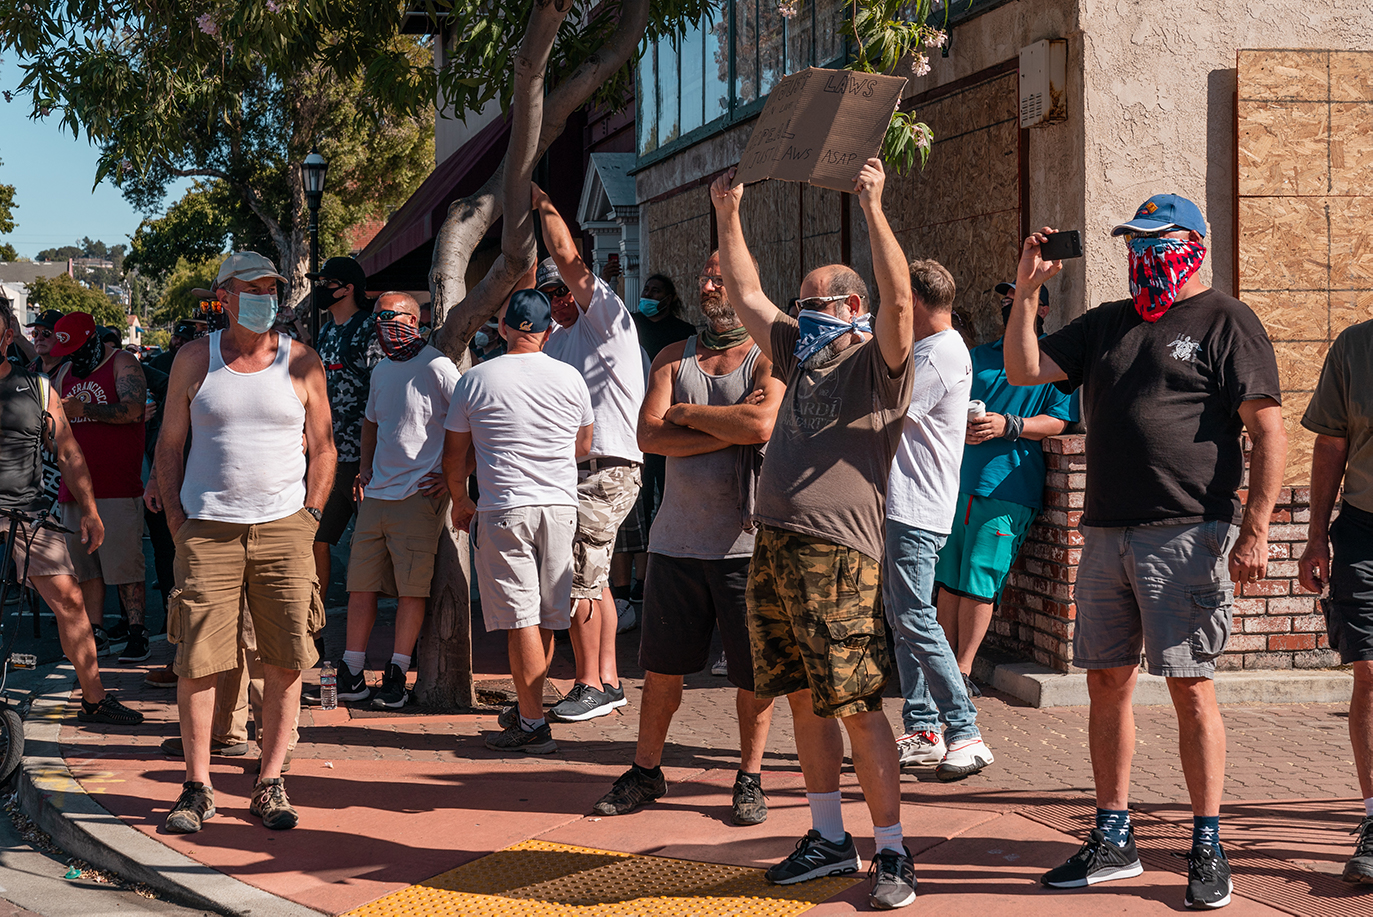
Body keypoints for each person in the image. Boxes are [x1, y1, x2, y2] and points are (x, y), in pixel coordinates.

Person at [1003, 195, 1285, 909]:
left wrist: (1254, 529)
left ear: (1195, 241)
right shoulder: (1108, 321)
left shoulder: (1226, 320)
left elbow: (1269, 431)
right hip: (1104, 533)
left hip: (1186, 532)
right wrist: (1028, 292)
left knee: (1189, 685)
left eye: (1158, 241)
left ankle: (1206, 841)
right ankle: (1112, 835)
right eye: (1135, 241)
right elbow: (1024, 366)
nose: (1144, 254)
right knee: (1106, 683)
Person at [710, 158, 918, 910]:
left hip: (839, 553)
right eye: (804, 303)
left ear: (851, 304)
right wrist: (728, 212)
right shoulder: (797, 351)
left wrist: (872, 205)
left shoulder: (879, 364)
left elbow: (899, 299)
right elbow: (744, 293)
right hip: (776, 542)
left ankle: (891, 850)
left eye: (819, 302)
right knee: (802, 696)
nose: (806, 313)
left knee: (856, 702)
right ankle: (828, 835)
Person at [592, 250, 783, 825]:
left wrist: (687, 416)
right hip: (675, 542)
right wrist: (721, 426)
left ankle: (749, 778)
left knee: (753, 674)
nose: (707, 285)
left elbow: (762, 425)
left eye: (720, 278)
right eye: (704, 276)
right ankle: (647, 772)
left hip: (745, 545)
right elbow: (648, 435)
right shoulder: (674, 357)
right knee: (662, 670)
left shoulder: (767, 358)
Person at [155, 251, 335, 834]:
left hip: (285, 527)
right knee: (198, 661)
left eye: (270, 288)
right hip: (207, 529)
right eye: (251, 288)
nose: (264, 296)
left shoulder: (302, 361)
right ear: (224, 295)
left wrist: (310, 517)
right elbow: (169, 446)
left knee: (284, 658)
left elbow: (324, 447)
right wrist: (180, 523)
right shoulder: (194, 359)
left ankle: (270, 780)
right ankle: (197, 785)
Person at [443, 289, 593, 754]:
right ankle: (531, 711)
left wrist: (459, 500)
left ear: (504, 327)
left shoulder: (476, 379)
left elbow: (453, 456)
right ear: (548, 332)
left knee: (521, 620)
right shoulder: (571, 378)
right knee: (545, 617)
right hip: (561, 506)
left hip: (505, 506)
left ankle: (532, 724)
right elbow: (584, 447)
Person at [306, 292, 460, 708]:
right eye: (377, 318)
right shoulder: (382, 370)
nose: (381, 325)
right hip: (376, 494)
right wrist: (365, 468)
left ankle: (397, 671)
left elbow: (469, 422)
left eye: (389, 316)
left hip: (416, 494)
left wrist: (453, 477)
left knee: (411, 590)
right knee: (361, 585)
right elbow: (370, 423)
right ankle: (352, 670)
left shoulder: (438, 366)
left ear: (414, 319)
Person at [0, 301, 142, 727]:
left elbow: (68, 452)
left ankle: (94, 699)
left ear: (8, 336)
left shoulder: (40, 389)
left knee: (71, 601)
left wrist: (91, 511)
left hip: (27, 516)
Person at [533, 184, 645, 724]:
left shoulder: (608, 318)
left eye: (564, 293)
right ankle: (607, 680)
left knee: (577, 575)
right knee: (593, 577)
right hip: (573, 470)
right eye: (548, 297)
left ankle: (588, 683)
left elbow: (568, 258)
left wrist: (542, 203)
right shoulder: (554, 343)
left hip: (607, 468)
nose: (559, 303)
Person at [882, 260, 995, 782]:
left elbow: (889, 411)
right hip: (902, 505)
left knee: (914, 619)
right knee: (905, 623)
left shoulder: (941, 351)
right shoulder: (932, 348)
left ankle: (965, 730)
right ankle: (924, 727)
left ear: (915, 302)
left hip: (916, 507)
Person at [933, 283, 1074, 698]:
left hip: (1009, 484)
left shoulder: (1056, 361)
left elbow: (1061, 422)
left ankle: (962, 670)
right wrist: (963, 426)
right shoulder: (978, 358)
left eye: (1022, 299)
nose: (1010, 305)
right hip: (958, 482)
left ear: (1042, 309)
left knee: (979, 578)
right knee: (949, 578)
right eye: (1007, 300)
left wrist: (1010, 425)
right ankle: (940, 667)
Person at [1297, 324, 1373, 885]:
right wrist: (1316, 535)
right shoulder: (1357, 346)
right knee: (1369, 672)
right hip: (1365, 533)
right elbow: (1332, 443)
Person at [49, 312, 152, 664]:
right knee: (85, 568)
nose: (75, 358)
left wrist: (86, 409)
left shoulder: (122, 363)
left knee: (125, 566)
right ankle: (97, 632)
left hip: (116, 485)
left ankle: (137, 633)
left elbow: (135, 410)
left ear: (93, 340)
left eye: (79, 349)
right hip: (74, 487)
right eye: (69, 352)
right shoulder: (64, 373)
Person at [308, 256, 383, 597]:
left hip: (362, 462)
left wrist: (370, 465)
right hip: (328, 457)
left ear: (348, 289)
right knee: (315, 538)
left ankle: (395, 639)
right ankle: (317, 627)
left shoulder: (369, 329)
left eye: (327, 284)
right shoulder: (325, 332)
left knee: (373, 551)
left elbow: (382, 397)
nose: (320, 290)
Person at [24, 309, 66, 376]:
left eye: (46, 333)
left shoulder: (72, 371)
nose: (39, 338)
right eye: (35, 333)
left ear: (62, 336)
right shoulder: (31, 369)